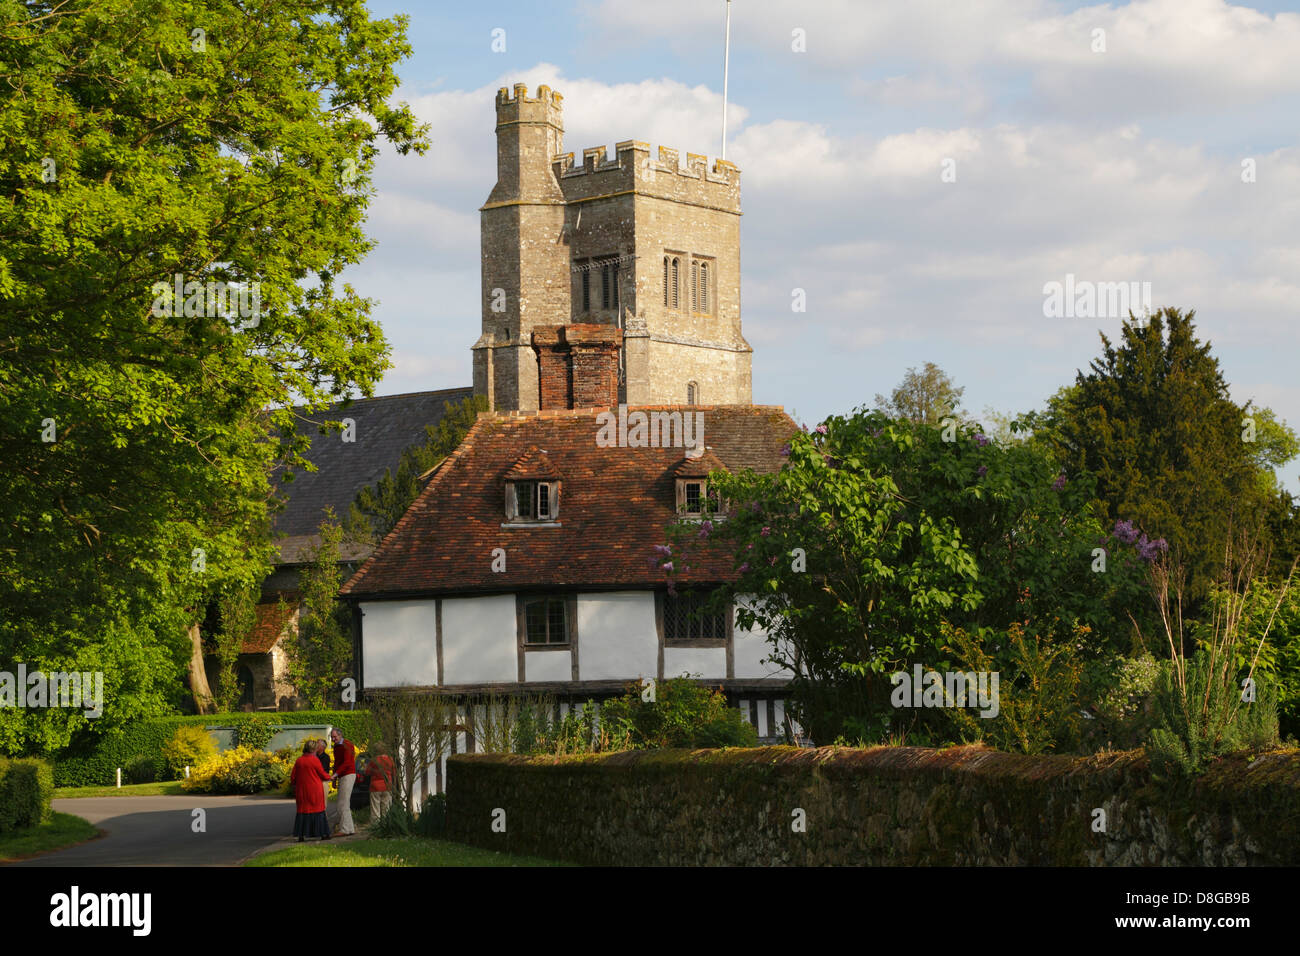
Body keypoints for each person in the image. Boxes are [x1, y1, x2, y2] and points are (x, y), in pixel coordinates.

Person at [291, 740, 332, 841]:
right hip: (315, 789)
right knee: (318, 811)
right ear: (314, 749)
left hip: (302, 790)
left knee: (303, 811)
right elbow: (322, 774)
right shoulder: (315, 760)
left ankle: (301, 835)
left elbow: (293, 777)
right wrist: (330, 777)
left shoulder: (299, 760)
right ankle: (323, 833)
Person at [330, 727, 357, 835]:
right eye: (331, 737)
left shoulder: (347, 745)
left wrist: (336, 774)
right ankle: (349, 828)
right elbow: (337, 762)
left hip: (348, 774)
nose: (333, 739)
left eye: (335, 737)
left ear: (340, 735)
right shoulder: (337, 746)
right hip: (343, 774)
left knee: (343, 803)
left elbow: (347, 763)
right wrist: (335, 778)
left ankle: (345, 829)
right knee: (343, 803)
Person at [361, 742, 395, 825]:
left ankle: (376, 827)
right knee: (386, 808)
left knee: (375, 809)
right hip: (387, 786)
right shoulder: (390, 759)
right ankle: (386, 825)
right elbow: (394, 772)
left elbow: (367, 772)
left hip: (375, 786)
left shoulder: (374, 760)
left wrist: (364, 767)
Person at [315, 739, 331, 811]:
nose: (316, 746)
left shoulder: (326, 757)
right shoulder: (314, 756)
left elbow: (323, 770)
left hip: (323, 782)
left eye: (317, 744)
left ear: (322, 747)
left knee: (323, 803)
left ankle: (323, 819)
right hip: (314, 781)